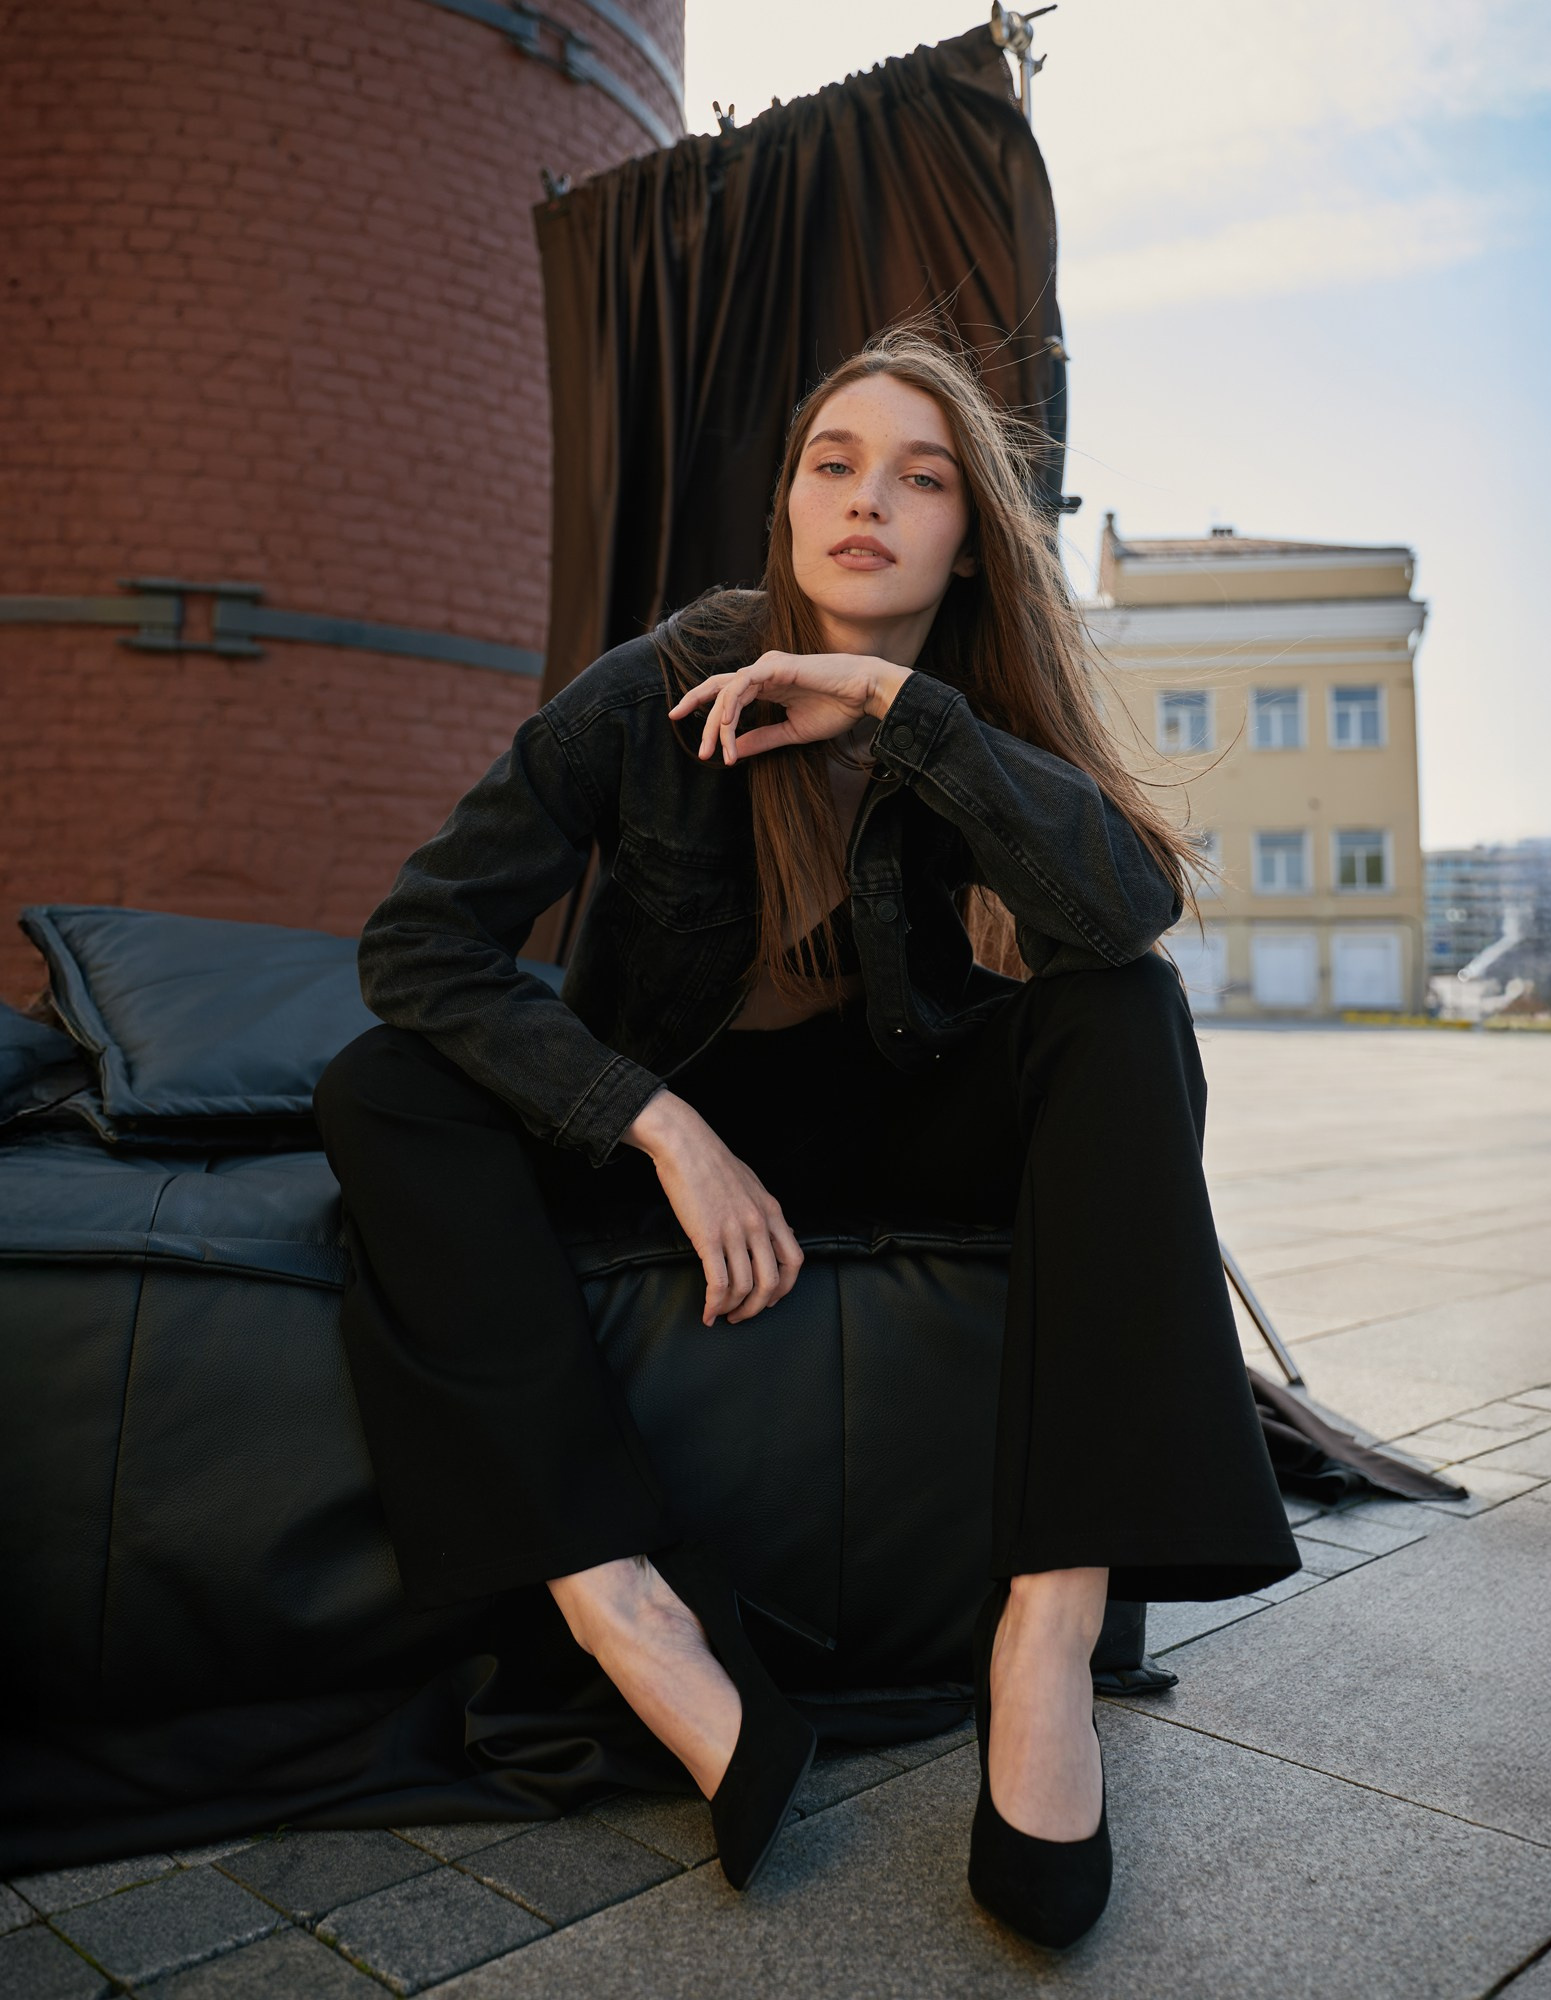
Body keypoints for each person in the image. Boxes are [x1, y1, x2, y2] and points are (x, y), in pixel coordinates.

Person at [311, 327, 1301, 1950]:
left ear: (967, 539)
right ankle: (625, 1608)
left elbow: (1123, 915)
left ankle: (1044, 1639)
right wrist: (660, 1128)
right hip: (684, 1123)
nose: (867, 501)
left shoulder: (973, 713)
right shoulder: (653, 689)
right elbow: (419, 942)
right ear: (785, 504)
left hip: (906, 1117)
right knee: (379, 1083)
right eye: (833, 464)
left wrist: (903, 711)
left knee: (1127, 1009)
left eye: (921, 478)